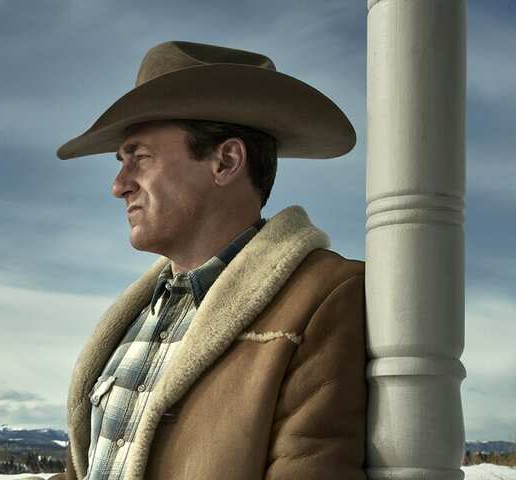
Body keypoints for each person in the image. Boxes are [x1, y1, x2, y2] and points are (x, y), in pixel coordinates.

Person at [51, 41, 367, 479]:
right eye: (121, 162)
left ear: (226, 161)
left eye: (140, 158)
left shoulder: (326, 297)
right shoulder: (132, 319)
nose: (119, 185)